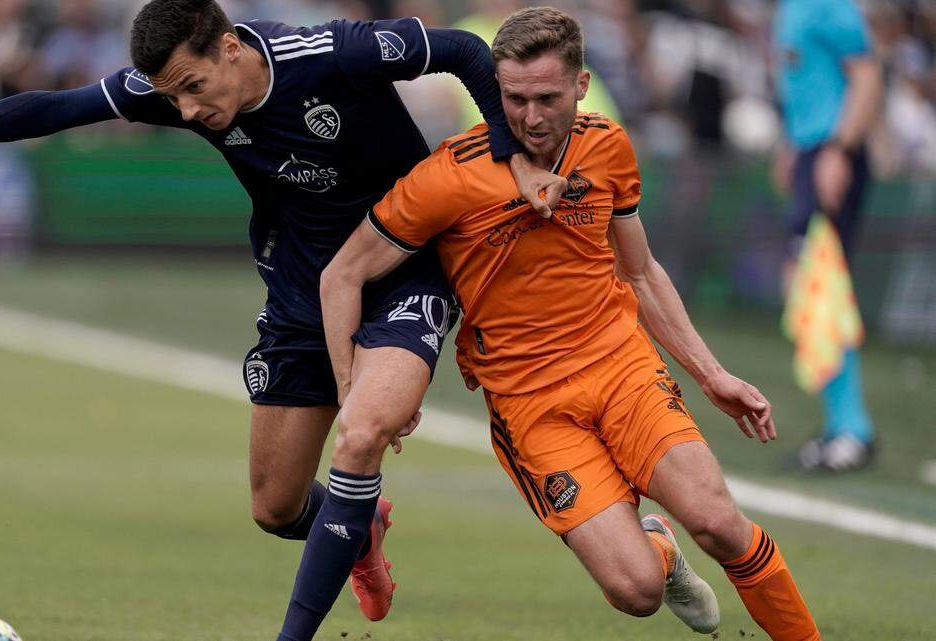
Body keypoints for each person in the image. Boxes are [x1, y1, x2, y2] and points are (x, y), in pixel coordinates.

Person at [0, 0, 565, 636]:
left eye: (192, 88)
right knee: (275, 506)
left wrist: (513, 161)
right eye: (171, 97)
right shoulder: (179, 87)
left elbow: (468, 51)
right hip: (298, 293)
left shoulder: (334, 54)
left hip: (405, 265)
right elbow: (58, 107)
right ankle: (360, 526)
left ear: (230, 48)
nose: (186, 111)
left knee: (365, 429)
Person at [322, 8, 822, 640]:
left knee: (720, 523)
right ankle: (659, 554)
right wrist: (350, 393)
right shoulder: (450, 176)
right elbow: (342, 276)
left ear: (582, 85)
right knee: (636, 591)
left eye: (548, 98)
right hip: (531, 404)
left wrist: (712, 373)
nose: (530, 117)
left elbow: (640, 274)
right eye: (514, 98)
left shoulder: (607, 145)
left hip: (621, 368)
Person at [773, 0, 882, 472]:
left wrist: (839, 149)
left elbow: (867, 76)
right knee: (807, 286)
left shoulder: (828, 5)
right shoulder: (789, 10)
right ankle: (843, 425)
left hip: (830, 153)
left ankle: (852, 430)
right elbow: (804, 84)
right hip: (811, 151)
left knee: (818, 286)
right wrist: (790, 145)